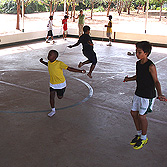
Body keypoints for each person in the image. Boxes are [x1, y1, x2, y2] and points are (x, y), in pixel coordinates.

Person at [123, 41, 166, 150]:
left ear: (146, 53)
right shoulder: (138, 63)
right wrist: (128, 79)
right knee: (133, 113)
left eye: (139, 52)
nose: (137, 54)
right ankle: (138, 134)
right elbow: (138, 76)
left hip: (148, 95)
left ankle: (144, 138)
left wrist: (160, 94)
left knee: (142, 116)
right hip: (138, 93)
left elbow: (156, 81)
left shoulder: (151, 66)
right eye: (136, 52)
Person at [40, 50, 86, 117]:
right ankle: (53, 110)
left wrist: (80, 71)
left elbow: (69, 68)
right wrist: (42, 61)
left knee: (60, 97)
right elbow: (47, 64)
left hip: (60, 84)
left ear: (55, 57)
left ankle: (62, 91)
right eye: (48, 54)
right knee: (51, 97)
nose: (48, 56)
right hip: (52, 83)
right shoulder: (49, 62)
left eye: (50, 55)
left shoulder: (59, 63)